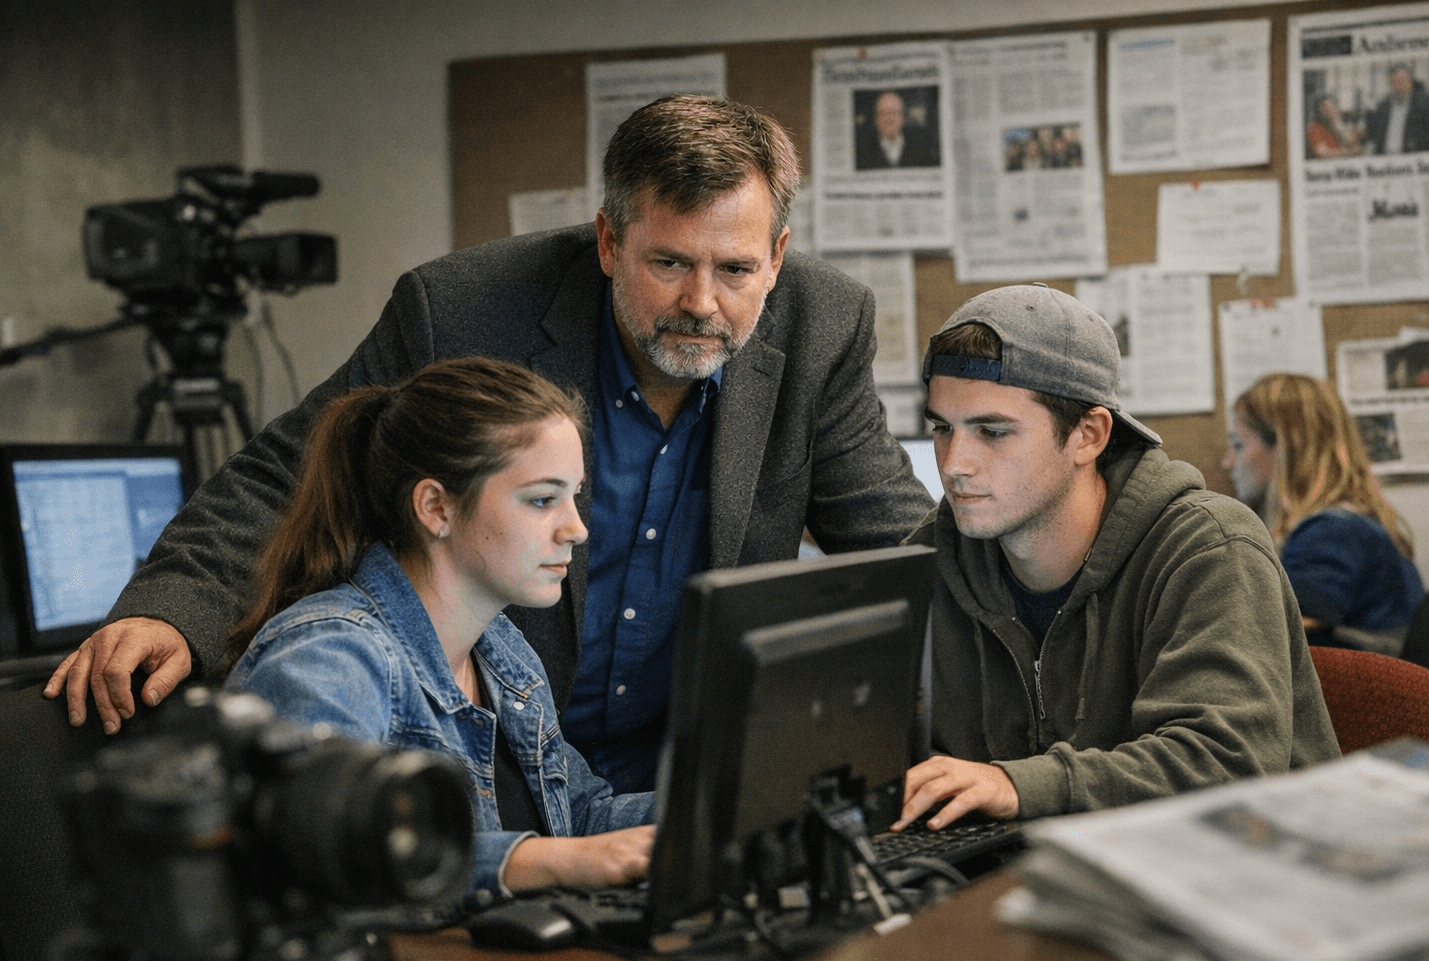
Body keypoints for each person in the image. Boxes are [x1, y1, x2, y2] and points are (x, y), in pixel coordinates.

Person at [47, 95, 934, 797]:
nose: (702, 301)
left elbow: (893, 537)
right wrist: (171, 609)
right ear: (607, 239)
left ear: (776, 257)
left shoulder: (824, 325)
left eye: (736, 270)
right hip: (493, 762)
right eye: (668, 263)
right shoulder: (465, 309)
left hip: (678, 767)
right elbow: (298, 466)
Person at [892, 285, 1339, 833]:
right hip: (1036, 882)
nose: (955, 464)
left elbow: (1226, 764)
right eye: (942, 429)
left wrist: (1018, 786)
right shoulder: (926, 564)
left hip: (1237, 883)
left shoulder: (1208, 548)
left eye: (992, 431)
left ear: (1089, 435)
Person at [221, 357, 653, 909]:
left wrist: (719, 810)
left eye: (573, 495)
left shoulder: (503, 652)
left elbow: (581, 817)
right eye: (543, 499)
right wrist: (548, 862)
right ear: (436, 507)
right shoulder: (332, 659)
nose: (577, 528)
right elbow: (326, 857)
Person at [1223, 373, 1424, 655]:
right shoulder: (1350, 521)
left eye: (1238, 444)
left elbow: (1272, 632)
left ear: (1285, 448)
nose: (1227, 461)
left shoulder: (1331, 532)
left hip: (1360, 690)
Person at [1364, 64, 1429, 155]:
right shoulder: (1383, 106)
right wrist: (1370, 111)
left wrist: (1414, 142)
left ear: (1410, 81)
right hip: (1385, 156)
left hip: (1409, 156)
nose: (1400, 85)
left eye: (1403, 80)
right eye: (1394, 82)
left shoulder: (1425, 103)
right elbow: (1373, 133)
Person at [855, 90, 942, 170]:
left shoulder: (922, 149)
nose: (889, 118)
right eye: (883, 113)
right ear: (876, 119)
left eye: (893, 112)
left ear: (902, 117)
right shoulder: (861, 154)